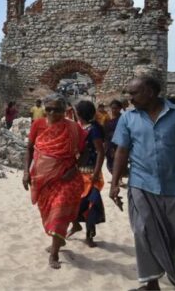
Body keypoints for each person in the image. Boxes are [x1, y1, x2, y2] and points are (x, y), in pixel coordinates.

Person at [110, 76, 175, 290]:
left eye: (134, 93)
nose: (129, 98)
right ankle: (150, 283)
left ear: (151, 92)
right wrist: (114, 183)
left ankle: (173, 270)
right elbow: (121, 151)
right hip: (141, 183)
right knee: (142, 231)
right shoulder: (128, 118)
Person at [23, 94, 85, 269]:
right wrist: (25, 172)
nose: (52, 112)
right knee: (48, 212)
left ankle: (54, 253)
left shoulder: (73, 128)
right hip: (42, 179)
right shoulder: (38, 124)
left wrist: (74, 169)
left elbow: (86, 151)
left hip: (67, 178)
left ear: (64, 110)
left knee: (59, 211)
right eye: (48, 108)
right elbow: (28, 148)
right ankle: (57, 240)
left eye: (56, 109)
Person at [67, 101, 105, 248]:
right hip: (77, 172)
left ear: (80, 113)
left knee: (91, 205)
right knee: (72, 202)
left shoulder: (93, 129)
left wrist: (96, 173)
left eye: (76, 111)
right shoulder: (79, 127)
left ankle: (90, 236)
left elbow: (100, 152)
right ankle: (75, 225)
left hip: (91, 173)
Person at [103, 99, 123, 175]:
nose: (114, 110)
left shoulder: (122, 119)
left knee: (117, 161)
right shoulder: (107, 117)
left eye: (116, 108)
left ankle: (118, 178)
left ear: (120, 108)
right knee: (110, 162)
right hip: (109, 143)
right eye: (112, 108)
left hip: (118, 144)